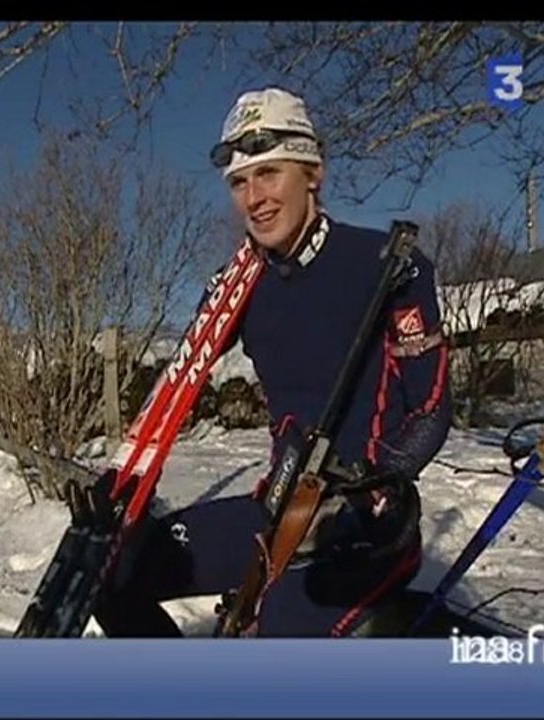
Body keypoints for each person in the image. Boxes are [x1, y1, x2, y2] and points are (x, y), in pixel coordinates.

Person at [86, 87, 452, 637]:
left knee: (275, 639)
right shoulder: (237, 286)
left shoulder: (387, 265)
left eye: (269, 174)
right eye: (239, 182)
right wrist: (119, 482)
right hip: (278, 513)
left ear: (313, 173)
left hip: (363, 530)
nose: (254, 196)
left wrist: (375, 485)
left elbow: (430, 408)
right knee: (111, 575)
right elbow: (176, 388)